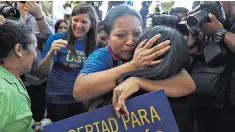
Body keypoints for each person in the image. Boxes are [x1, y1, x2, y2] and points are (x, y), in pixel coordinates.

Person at [73, 4, 196, 132]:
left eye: (137, 33)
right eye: (121, 35)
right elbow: (79, 91)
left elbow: (187, 84)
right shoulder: (102, 56)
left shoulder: (146, 51)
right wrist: (133, 65)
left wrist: (138, 82)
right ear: (108, 37)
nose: (130, 41)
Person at [37, 3, 98, 122]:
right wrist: (50, 54)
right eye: (75, 20)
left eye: (84, 22)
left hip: (81, 99)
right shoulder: (56, 39)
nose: (78, 25)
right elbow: (41, 73)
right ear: (70, 20)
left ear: (91, 25)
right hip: (57, 99)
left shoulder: (94, 45)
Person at [187, 1, 235, 132]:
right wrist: (193, 34)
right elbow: (187, 61)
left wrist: (220, 32)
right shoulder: (204, 24)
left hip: (229, 108)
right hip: (203, 103)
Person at [0, 16, 37, 132]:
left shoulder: (13, 76)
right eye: (34, 48)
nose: (35, 55)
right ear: (19, 49)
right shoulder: (2, 91)